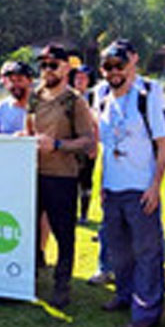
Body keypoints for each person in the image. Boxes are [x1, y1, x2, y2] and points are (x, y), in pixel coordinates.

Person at [95, 42, 165, 327]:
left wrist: (155, 185)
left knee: (147, 251)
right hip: (112, 187)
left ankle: (147, 309)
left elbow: (163, 144)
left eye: (120, 65)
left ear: (132, 63)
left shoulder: (148, 94)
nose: (114, 72)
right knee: (119, 250)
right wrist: (102, 183)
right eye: (108, 67)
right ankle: (125, 294)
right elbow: (105, 146)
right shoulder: (100, 95)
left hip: (140, 187)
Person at [24, 43, 95, 309]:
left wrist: (57, 145)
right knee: (30, 230)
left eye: (53, 64)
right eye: (43, 65)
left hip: (63, 177)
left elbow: (88, 141)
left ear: (66, 68)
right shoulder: (35, 97)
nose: (47, 70)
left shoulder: (74, 101)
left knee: (63, 234)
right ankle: (28, 278)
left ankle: (62, 284)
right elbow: (29, 130)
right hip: (34, 175)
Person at [69, 65, 97, 224]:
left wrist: (94, 145)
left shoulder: (94, 97)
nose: (79, 80)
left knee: (86, 179)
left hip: (87, 145)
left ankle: (84, 213)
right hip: (70, 144)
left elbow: (96, 123)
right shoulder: (67, 97)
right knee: (70, 179)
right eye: (77, 77)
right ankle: (70, 212)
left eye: (83, 77)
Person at [0, 61, 33, 134]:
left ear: (29, 81)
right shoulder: (2, 107)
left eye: (19, 80)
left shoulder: (40, 106)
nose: (15, 85)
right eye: (12, 81)